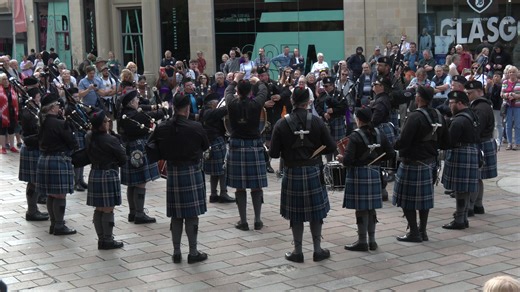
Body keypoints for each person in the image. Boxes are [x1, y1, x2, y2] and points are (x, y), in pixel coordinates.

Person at [269, 86, 336, 262]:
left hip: (292, 172)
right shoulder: (317, 121)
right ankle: (317, 250)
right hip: (313, 170)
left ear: (292, 101)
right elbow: (331, 147)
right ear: (308, 102)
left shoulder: (281, 123)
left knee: (295, 213)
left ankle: (298, 252)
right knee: (316, 212)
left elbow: (274, 154)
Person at [149, 92, 210, 263]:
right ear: (188, 108)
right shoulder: (195, 126)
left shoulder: (162, 127)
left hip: (173, 172)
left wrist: (163, 153)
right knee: (191, 215)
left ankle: (176, 252)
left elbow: (151, 145)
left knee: (176, 215)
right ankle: (193, 252)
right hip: (191, 171)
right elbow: (206, 145)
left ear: (174, 107)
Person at [393, 86, 449, 242]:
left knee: (406, 200)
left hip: (412, 163)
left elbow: (403, 142)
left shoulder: (415, 117)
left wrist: (393, 144)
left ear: (418, 98)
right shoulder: (438, 115)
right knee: (424, 200)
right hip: (430, 163)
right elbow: (445, 142)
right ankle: (422, 231)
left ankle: (414, 233)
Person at [340, 107, 394, 251]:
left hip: (359, 174)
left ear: (358, 119)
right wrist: (376, 158)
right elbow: (390, 153)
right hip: (375, 172)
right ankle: (372, 241)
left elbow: (347, 161)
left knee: (361, 209)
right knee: (371, 208)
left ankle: (362, 241)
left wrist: (341, 158)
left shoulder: (355, 136)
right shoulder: (379, 133)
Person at [225, 72, 268, 231]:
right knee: (256, 186)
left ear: (238, 92)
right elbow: (264, 91)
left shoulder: (231, 102)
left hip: (237, 146)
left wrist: (235, 80)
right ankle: (257, 220)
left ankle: (243, 221)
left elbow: (227, 92)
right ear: (250, 92)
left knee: (240, 187)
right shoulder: (256, 103)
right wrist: (257, 81)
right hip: (254, 145)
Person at [117, 90, 164, 224]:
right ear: (131, 102)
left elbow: (145, 110)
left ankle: (133, 212)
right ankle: (139, 213)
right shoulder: (133, 115)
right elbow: (152, 115)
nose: (138, 101)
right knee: (140, 182)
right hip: (137, 148)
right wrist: (164, 109)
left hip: (129, 147)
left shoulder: (125, 113)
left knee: (132, 183)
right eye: (136, 99)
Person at [36, 93, 78, 235]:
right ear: (53, 108)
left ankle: (54, 224)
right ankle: (59, 226)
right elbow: (73, 143)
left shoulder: (42, 122)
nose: (60, 107)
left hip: (45, 159)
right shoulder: (60, 123)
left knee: (51, 195)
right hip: (58, 160)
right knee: (60, 195)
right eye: (58, 105)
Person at [85, 109, 126, 250]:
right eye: (106, 121)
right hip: (108, 174)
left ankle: (101, 239)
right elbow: (123, 158)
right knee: (108, 209)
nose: (109, 122)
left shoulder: (89, 136)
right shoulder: (111, 139)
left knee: (99, 208)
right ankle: (108, 240)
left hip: (95, 172)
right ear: (102, 124)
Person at [441, 91, 480, 229]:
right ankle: (462, 218)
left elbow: (449, 142)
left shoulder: (458, 120)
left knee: (460, 189)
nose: (449, 106)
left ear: (460, 103)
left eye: (451, 103)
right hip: (471, 151)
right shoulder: (471, 115)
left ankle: (459, 220)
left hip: (460, 153)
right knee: (464, 189)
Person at [465, 80, 497, 216]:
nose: (468, 96)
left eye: (470, 93)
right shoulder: (481, 105)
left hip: (480, 143)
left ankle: (471, 207)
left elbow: (477, 128)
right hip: (483, 142)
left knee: (474, 177)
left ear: (479, 92)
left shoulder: (481, 108)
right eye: (467, 93)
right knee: (477, 177)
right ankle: (478, 205)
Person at [19, 87, 49, 221]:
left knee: (34, 181)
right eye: (38, 96)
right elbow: (33, 130)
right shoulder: (28, 113)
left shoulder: (33, 111)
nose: (39, 99)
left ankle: (33, 209)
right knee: (33, 181)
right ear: (32, 99)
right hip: (31, 148)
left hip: (35, 147)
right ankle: (32, 211)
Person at [199, 93, 234, 203]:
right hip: (216, 141)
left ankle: (213, 194)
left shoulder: (204, 111)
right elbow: (224, 110)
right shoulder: (209, 112)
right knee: (222, 169)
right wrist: (232, 101)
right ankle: (223, 193)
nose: (217, 104)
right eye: (216, 102)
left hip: (211, 142)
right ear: (211, 103)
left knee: (215, 171)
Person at [63, 87, 90, 192]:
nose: (77, 98)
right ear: (70, 98)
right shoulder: (69, 108)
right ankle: (76, 182)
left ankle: (80, 179)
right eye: (74, 97)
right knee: (78, 158)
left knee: (82, 157)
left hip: (82, 133)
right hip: (76, 133)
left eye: (77, 96)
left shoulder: (78, 106)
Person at [500, 66, 520, 150]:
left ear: (516, 73)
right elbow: (501, 94)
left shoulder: (519, 82)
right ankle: (509, 143)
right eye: (510, 72)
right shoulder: (505, 82)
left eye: (513, 72)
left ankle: (517, 142)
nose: (511, 73)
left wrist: (516, 96)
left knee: (517, 125)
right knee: (508, 125)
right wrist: (508, 95)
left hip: (517, 106)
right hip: (507, 105)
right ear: (508, 73)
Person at [0, 73, 19, 154]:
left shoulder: (12, 89)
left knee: (11, 130)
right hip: (2, 114)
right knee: (2, 131)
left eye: (6, 79)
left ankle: (12, 146)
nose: (6, 81)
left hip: (11, 112)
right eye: (4, 79)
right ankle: (3, 147)